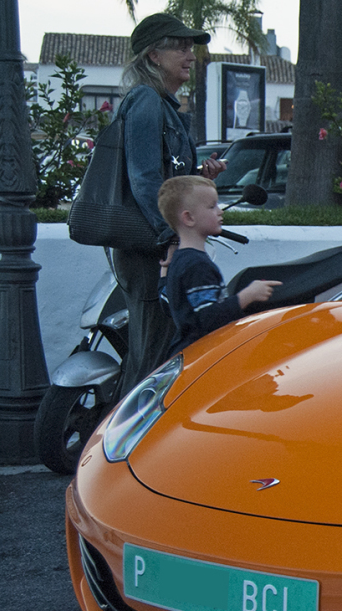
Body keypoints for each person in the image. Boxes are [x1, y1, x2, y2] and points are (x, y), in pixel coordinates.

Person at [116, 13, 228, 390]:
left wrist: (200, 179)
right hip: (154, 250)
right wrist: (172, 238)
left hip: (161, 246)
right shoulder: (147, 101)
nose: (190, 54)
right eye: (179, 46)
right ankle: (117, 444)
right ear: (153, 56)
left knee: (162, 353)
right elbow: (145, 180)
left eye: (191, 46)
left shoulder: (164, 107)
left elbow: (163, 179)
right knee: (152, 362)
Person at [156, 175, 278, 356]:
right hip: (203, 355)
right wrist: (248, 295)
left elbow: (167, 302)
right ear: (189, 218)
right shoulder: (197, 265)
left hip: (186, 353)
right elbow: (209, 319)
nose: (220, 211)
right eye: (212, 206)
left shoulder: (181, 261)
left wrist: (165, 270)